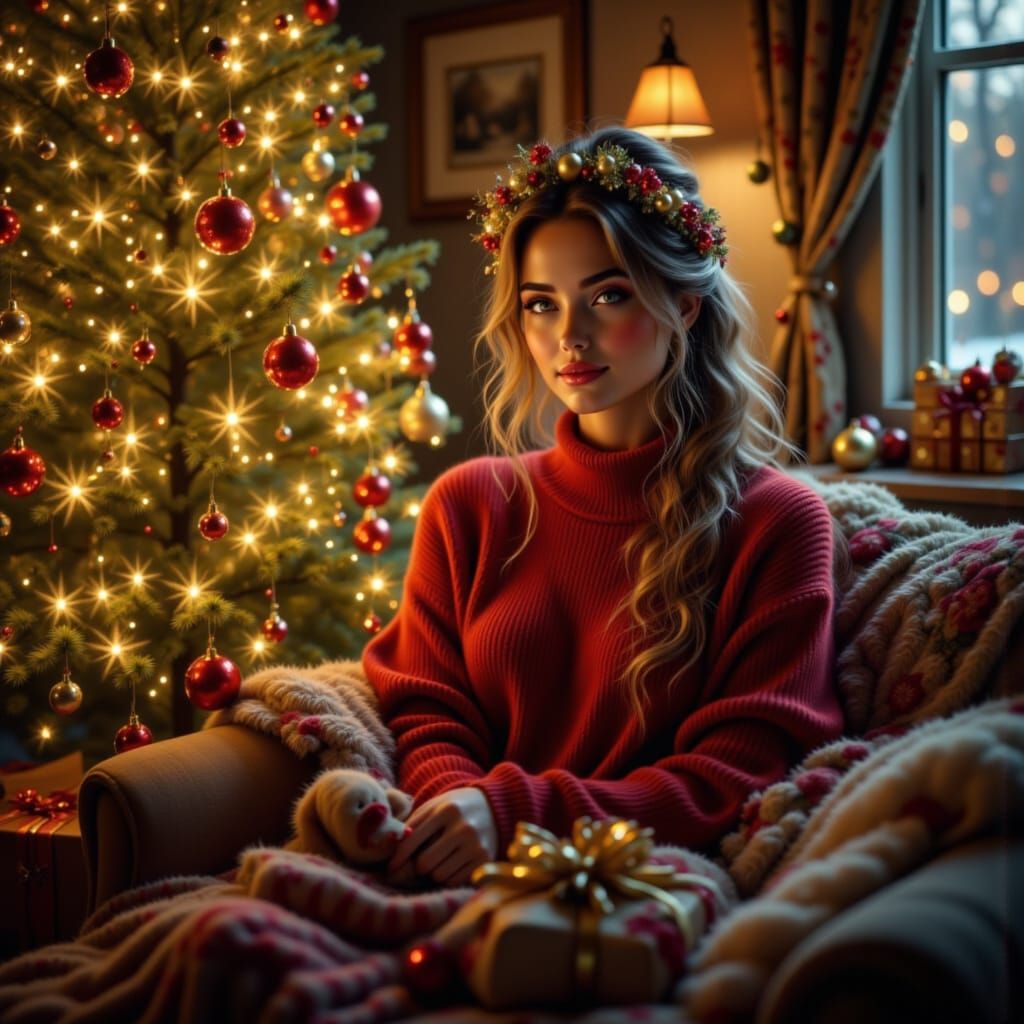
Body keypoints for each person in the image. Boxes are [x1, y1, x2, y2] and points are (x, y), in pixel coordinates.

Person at [362, 126, 844, 888]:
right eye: (541, 305)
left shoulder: (778, 521)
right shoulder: (470, 504)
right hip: (452, 865)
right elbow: (426, 711)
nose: (569, 338)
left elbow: (740, 772)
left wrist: (515, 815)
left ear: (684, 303)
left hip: (652, 884)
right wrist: (458, 813)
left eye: (608, 295)